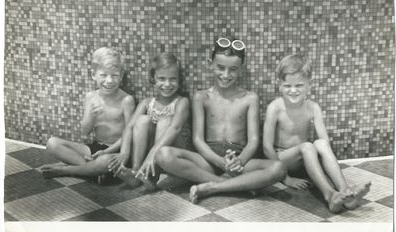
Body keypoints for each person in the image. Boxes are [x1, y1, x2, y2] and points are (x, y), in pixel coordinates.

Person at [153, 38, 286, 203]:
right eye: (220, 68)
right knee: (163, 154)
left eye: (233, 69)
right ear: (211, 64)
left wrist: (239, 161)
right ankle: (231, 184)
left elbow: (253, 140)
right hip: (208, 160)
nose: (225, 75)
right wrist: (219, 162)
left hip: (239, 160)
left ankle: (211, 187)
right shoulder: (201, 97)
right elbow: (198, 139)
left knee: (278, 168)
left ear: (241, 69)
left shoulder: (250, 98)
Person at [263, 54, 371, 213]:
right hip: (282, 158)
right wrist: (284, 177)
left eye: (299, 85)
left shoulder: (312, 107)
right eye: (287, 86)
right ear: (279, 85)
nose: (293, 91)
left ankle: (345, 192)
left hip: (305, 159)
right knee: (307, 146)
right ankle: (329, 195)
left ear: (309, 85)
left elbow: (324, 141)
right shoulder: (275, 107)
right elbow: (266, 147)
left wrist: (321, 155)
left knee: (320, 143)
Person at [40, 47, 135, 182]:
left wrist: (107, 152)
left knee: (105, 161)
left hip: (116, 150)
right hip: (96, 148)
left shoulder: (126, 100)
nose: (109, 80)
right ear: (93, 75)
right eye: (103, 75)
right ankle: (93, 171)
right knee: (52, 144)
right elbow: (85, 131)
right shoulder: (91, 97)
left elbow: (129, 134)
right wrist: (92, 115)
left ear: (121, 75)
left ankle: (66, 170)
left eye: (114, 75)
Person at [108, 52, 190, 189]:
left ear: (179, 79)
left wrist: (151, 155)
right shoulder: (147, 103)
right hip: (149, 156)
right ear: (153, 78)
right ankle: (135, 171)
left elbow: (174, 129)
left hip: (173, 153)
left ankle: (152, 176)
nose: (167, 84)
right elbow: (129, 127)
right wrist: (124, 152)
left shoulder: (182, 102)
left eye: (173, 79)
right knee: (141, 120)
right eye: (162, 79)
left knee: (165, 122)